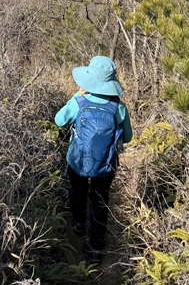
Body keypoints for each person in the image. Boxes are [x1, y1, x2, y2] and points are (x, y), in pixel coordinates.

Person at [55, 55, 133, 264]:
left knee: (77, 191)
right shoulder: (119, 107)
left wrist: (75, 96)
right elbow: (128, 137)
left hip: (77, 160)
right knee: (100, 200)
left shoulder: (79, 102)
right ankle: (96, 247)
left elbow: (59, 120)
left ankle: (79, 223)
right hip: (105, 165)